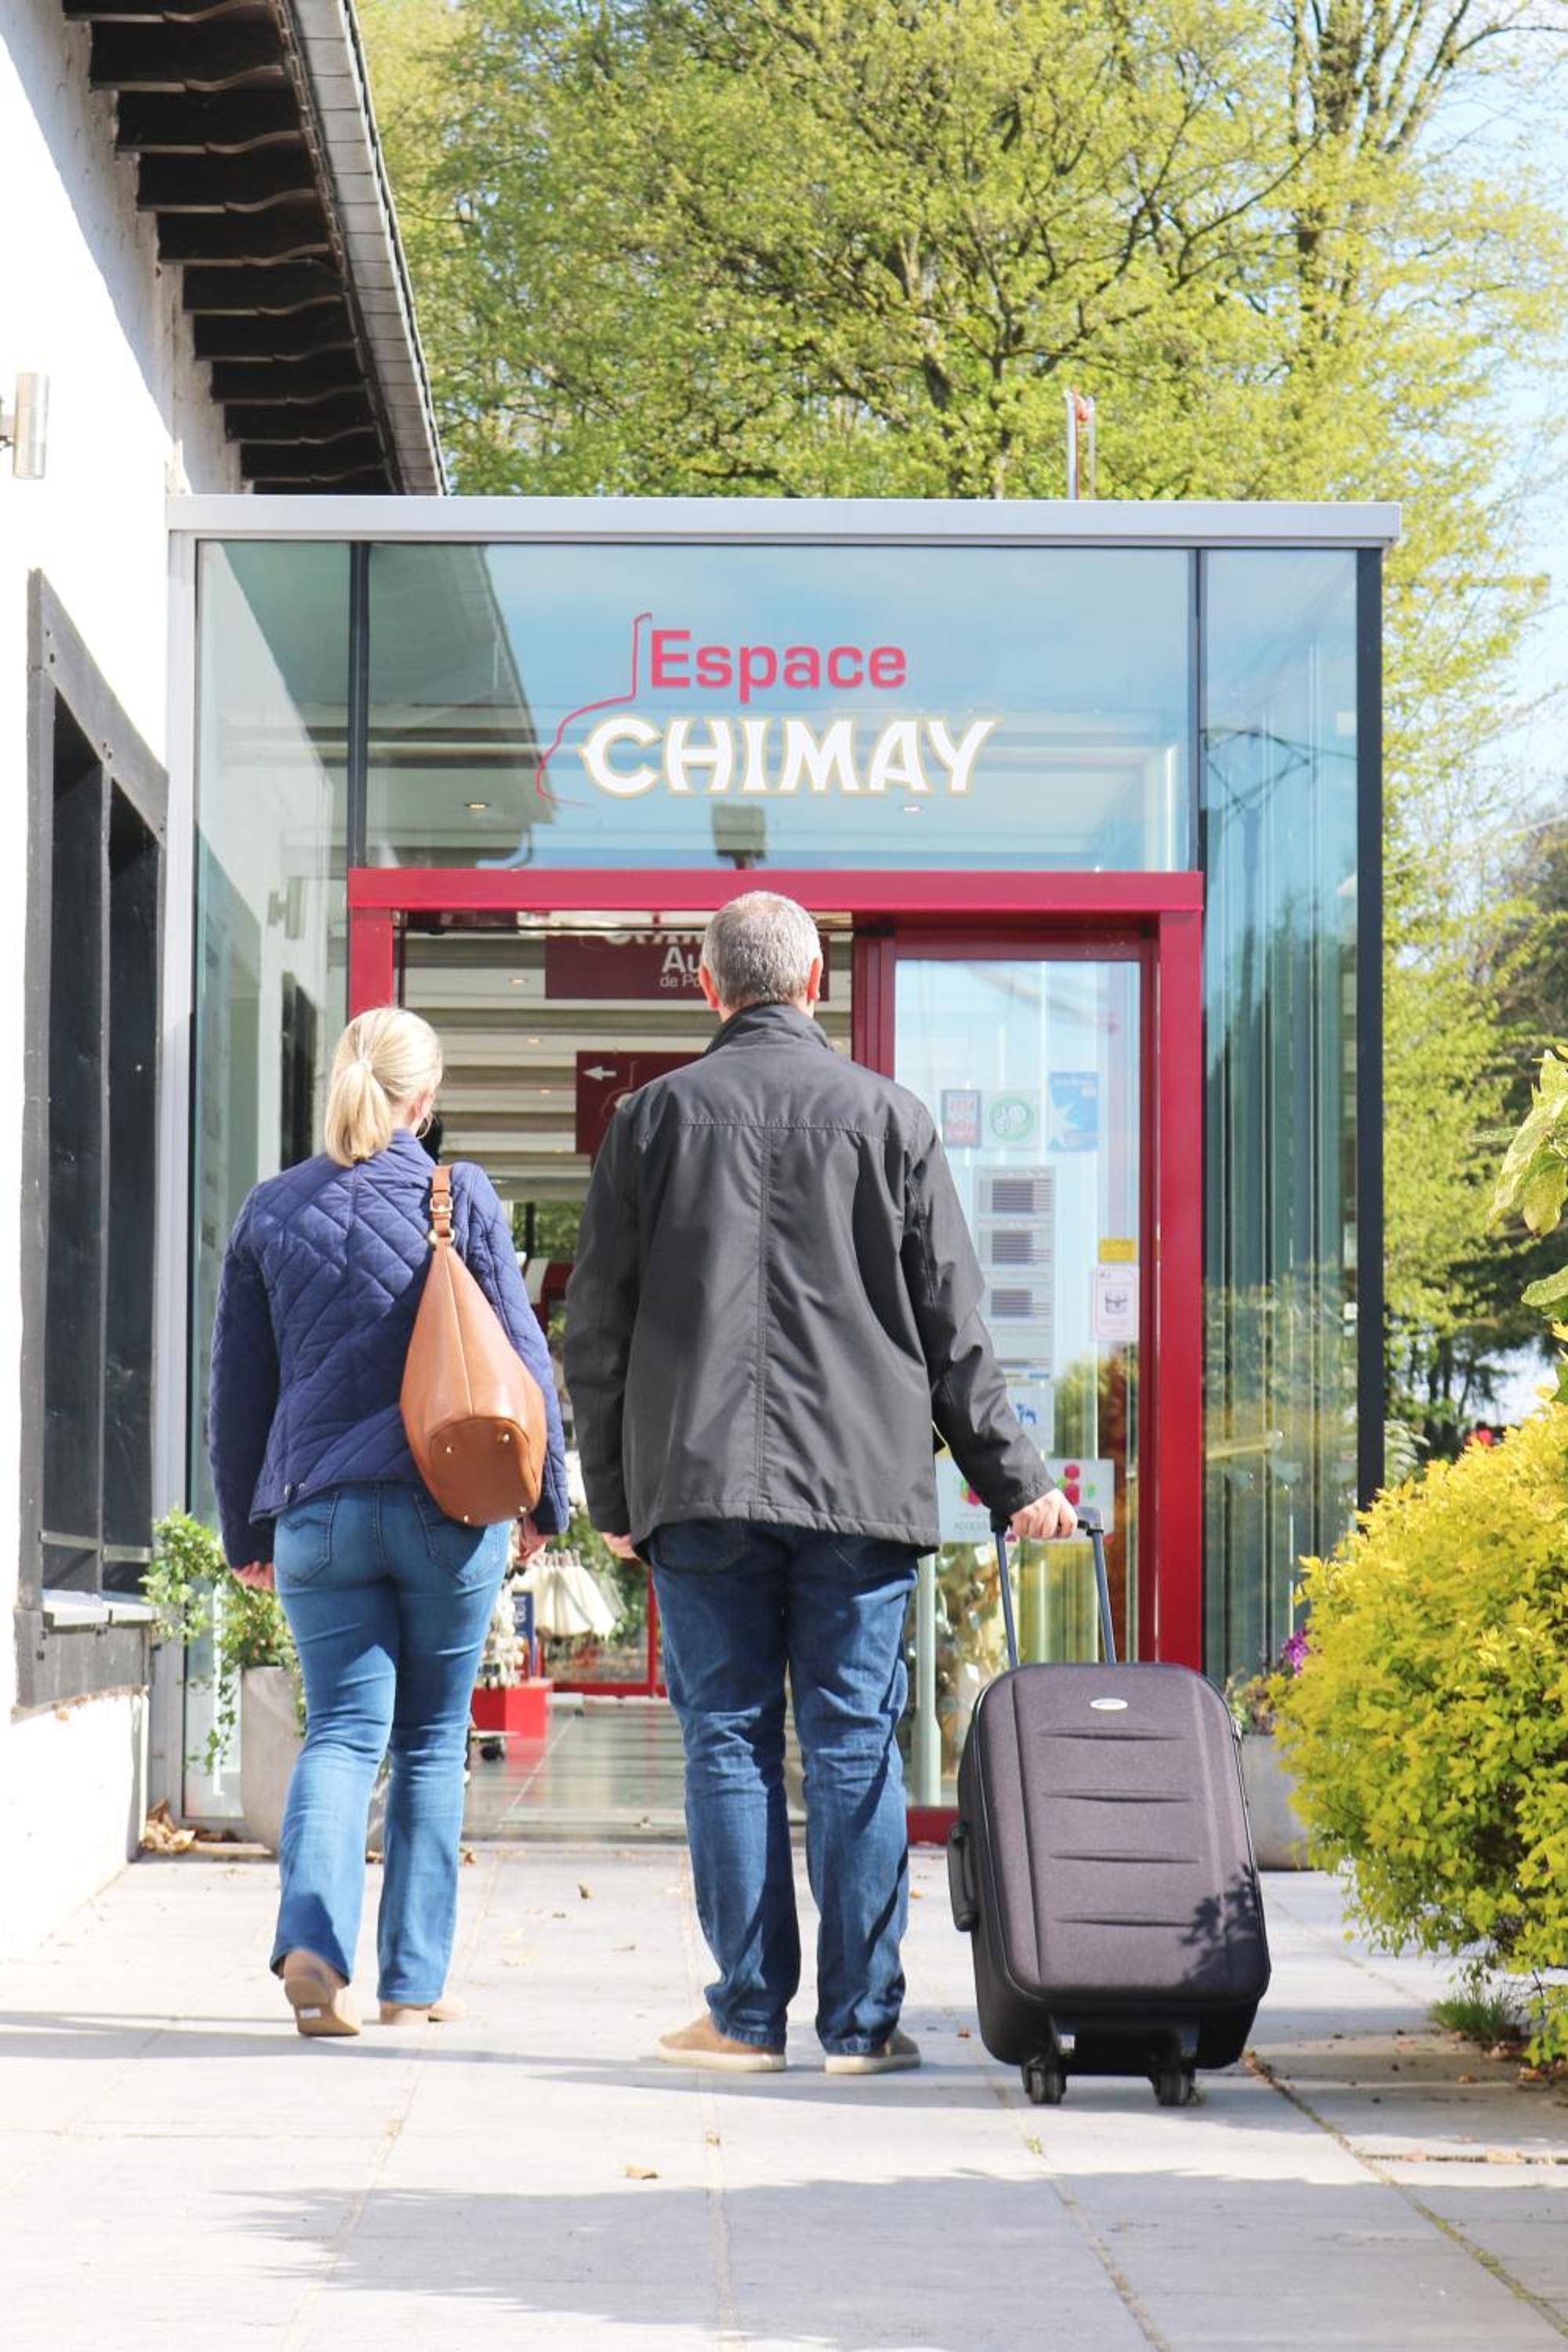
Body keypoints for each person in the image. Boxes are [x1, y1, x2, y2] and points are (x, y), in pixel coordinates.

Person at [565, 891, 1075, 2077]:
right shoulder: (890, 1118)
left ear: (710, 986)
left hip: (697, 1487)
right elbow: (953, 1330)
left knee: (726, 1741)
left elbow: (598, 1333)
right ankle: (861, 2025)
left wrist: (616, 1499)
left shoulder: (650, 1122)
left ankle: (747, 2018)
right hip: (859, 1488)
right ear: (815, 984)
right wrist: (1017, 1485)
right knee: (852, 1746)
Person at [209, 1007, 568, 2038]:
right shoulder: (459, 1196)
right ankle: (413, 1982)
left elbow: (236, 1395)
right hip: (445, 1509)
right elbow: (522, 1359)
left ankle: (315, 1952)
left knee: (341, 1731)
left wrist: (246, 1535)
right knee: (430, 1739)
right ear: (427, 1096)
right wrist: (545, 1502)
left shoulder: (270, 1211)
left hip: (318, 1514)